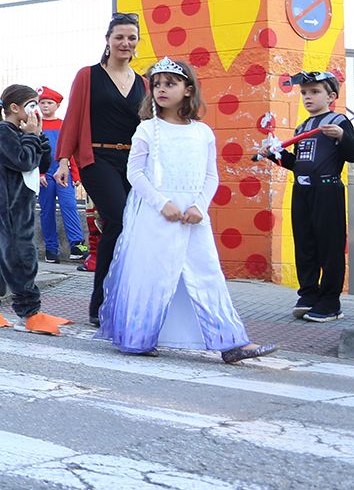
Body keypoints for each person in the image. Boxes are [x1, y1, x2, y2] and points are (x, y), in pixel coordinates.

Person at [97, 59, 277, 362]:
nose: (161, 90)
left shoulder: (203, 132)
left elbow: (211, 175)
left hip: (193, 216)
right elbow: (135, 174)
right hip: (157, 214)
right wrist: (161, 204)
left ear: (188, 89)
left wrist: (199, 206)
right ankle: (138, 336)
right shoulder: (147, 129)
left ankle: (230, 341)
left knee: (206, 272)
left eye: (170, 83)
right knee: (153, 274)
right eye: (157, 84)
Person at [54, 13, 147, 326]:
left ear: (137, 43)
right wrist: (65, 160)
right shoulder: (88, 75)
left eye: (131, 38)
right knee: (120, 218)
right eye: (119, 37)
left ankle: (110, 302)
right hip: (97, 160)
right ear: (108, 40)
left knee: (125, 227)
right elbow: (73, 117)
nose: (125, 43)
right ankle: (101, 301)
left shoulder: (144, 82)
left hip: (134, 162)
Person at [0, 84, 69, 334]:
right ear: (15, 108)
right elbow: (23, 160)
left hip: (23, 201)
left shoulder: (23, 131)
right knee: (23, 257)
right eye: (32, 105)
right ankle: (28, 313)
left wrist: (39, 135)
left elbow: (41, 162)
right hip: (10, 205)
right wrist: (32, 137)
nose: (37, 110)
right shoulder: (3, 131)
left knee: (7, 258)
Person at [262, 70, 354, 322]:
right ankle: (309, 295)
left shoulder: (339, 121)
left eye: (315, 92)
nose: (307, 97)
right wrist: (273, 154)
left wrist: (343, 137)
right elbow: (297, 163)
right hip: (302, 191)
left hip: (327, 191)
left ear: (331, 96)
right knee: (305, 244)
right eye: (304, 93)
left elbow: (352, 153)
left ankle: (330, 302)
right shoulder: (303, 126)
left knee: (329, 246)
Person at [35, 85, 87, 263]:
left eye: (50, 102)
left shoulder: (64, 125)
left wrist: (77, 175)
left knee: (69, 206)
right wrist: (39, 173)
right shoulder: (36, 125)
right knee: (46, 210)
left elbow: (71, 151)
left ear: (57, 105)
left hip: (64, 172)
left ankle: (77, 245)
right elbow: (35, 152)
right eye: (42, 102)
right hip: (44, 174)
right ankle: (51, 249)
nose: (46, 106)